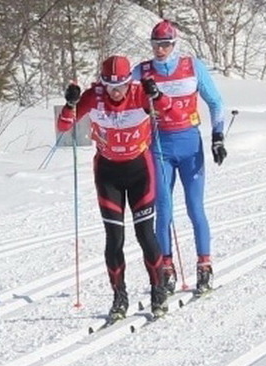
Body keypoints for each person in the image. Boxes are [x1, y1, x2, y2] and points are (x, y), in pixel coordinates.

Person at [57, 55, 185, 321]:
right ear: (102, 82)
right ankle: (119, 296)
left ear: (130, 81)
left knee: (145, 235)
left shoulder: (139, 94)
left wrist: (157, 94)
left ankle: (158, 290)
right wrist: (70, 104)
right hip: (108, 174)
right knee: (114, 239)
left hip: (140, 171)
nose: (116, 91)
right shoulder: (94, 97)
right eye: (110, 85)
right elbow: (63, 127)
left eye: (122, 85)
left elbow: (173, 113)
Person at [133, 20, 226, 295]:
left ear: (174, 45)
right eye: (155, 45)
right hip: (159, 146)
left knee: (195, 207)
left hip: (190, 145)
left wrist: (218, 137)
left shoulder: (191, 66)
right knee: (163, 209)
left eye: (165, 45)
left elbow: (216, 102)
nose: (160, 50)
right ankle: (166, 268)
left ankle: (204, 265)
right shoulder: (143, 71)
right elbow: (119, 91)